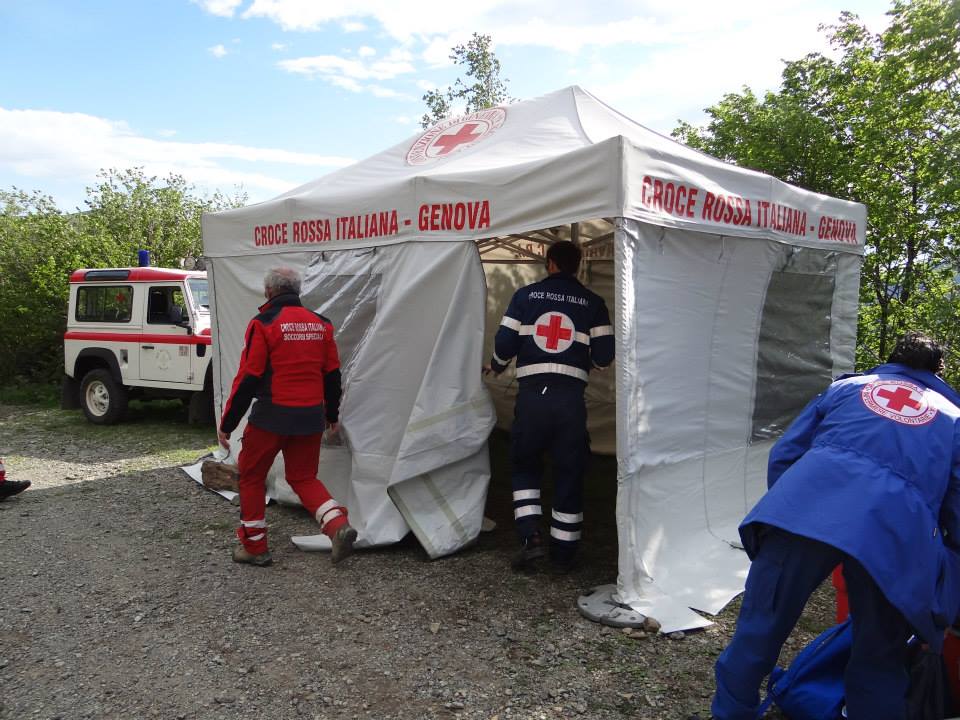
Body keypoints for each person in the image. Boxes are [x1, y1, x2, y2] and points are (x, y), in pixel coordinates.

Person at [700, 331, 960, 720]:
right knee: (880, 654)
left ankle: (729, 714)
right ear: (938, 371)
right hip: (894, 530)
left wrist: (794, 515)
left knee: (759, 630)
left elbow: (786, 454)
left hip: (806, 503)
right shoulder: (954, 418)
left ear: (891, 360)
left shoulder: (848, 387)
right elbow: (955, 506)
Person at [485, 240, 614, 573]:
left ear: (550, 263)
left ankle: (531, 540)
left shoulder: (525, 296)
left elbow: (504, 344)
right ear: (577, 263)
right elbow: (604, 358)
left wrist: (497, 367)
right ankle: (564, 553)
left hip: (532, 399)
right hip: (571, 401)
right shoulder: (594, 303)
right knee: (570, 470)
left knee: (525, 465)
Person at [218, 266, 356, 567]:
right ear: (297, 291)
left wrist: (228, 423)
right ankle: (337, 527)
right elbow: (333, 375)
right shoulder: (322, 324)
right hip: (309, 418)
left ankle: (255, 548)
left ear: (269, 292)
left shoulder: (263, 323)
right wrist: (332, 415)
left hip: (270, 417)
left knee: (252, 477)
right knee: (303, 477)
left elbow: (248, 378)